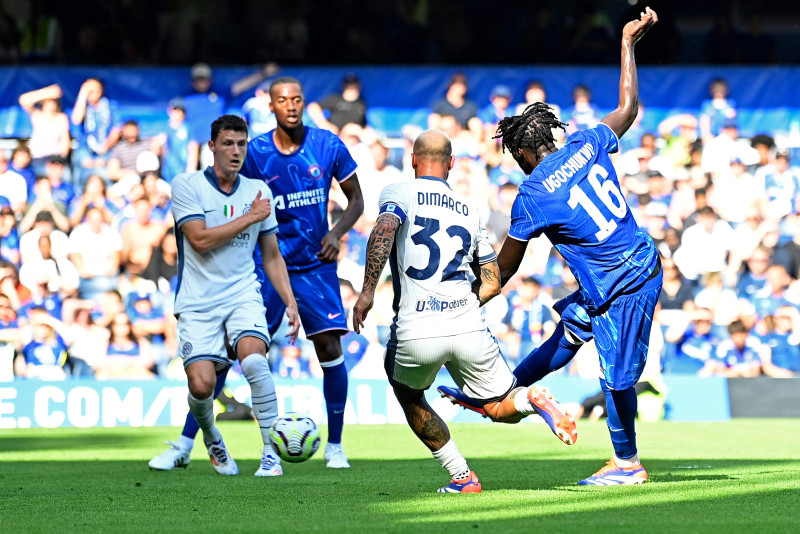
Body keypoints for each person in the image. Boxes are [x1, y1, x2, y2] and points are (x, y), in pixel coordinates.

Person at [438, 8, 660, 486]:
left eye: (514, 156)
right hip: (625, 267)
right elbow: (628, 108)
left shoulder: (534, 193)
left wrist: (464, 300)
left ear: (523, 152)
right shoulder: (586, 143)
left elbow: (505, 268)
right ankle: (508, 390)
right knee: (566, 334)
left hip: (625, 281)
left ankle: (627, 464)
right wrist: (628, 43)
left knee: (616, 378)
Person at [351, 130, 576, 493]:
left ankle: (462, 476)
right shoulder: (470, 210)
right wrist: (460, 303)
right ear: (452, 164)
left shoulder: (398, 191)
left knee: (408, 394)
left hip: (417, 328)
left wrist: (366, 292)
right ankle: (532, 399)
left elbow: (385, 229)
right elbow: (491, 282)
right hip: (468, 326)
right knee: (500, 407)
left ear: (412, 160)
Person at [240, 76, 365, 469]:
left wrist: (337, 232)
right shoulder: (256, 152)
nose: (290, 105)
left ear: (303, 102)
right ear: (271, 106)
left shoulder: (328, 144)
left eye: (296, 99)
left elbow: (357, 199)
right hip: (267, 263)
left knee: (330, 348)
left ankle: (336, 446)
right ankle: (214, 444)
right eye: (282, 100)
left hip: (315, 264)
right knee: (245, 351)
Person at [169, 114, 300, 477]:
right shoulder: (186, 185)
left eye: (241, 144)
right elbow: (199, 239)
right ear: (211, 146)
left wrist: (289, 300)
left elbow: (271, 254)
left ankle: (271, 453)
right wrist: (250, 216)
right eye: (228, 143)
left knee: (255, 362)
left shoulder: (258, 190)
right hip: (197, 300)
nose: (236, 151)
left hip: (243, 293)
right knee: (202, 384)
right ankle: (211, 437)